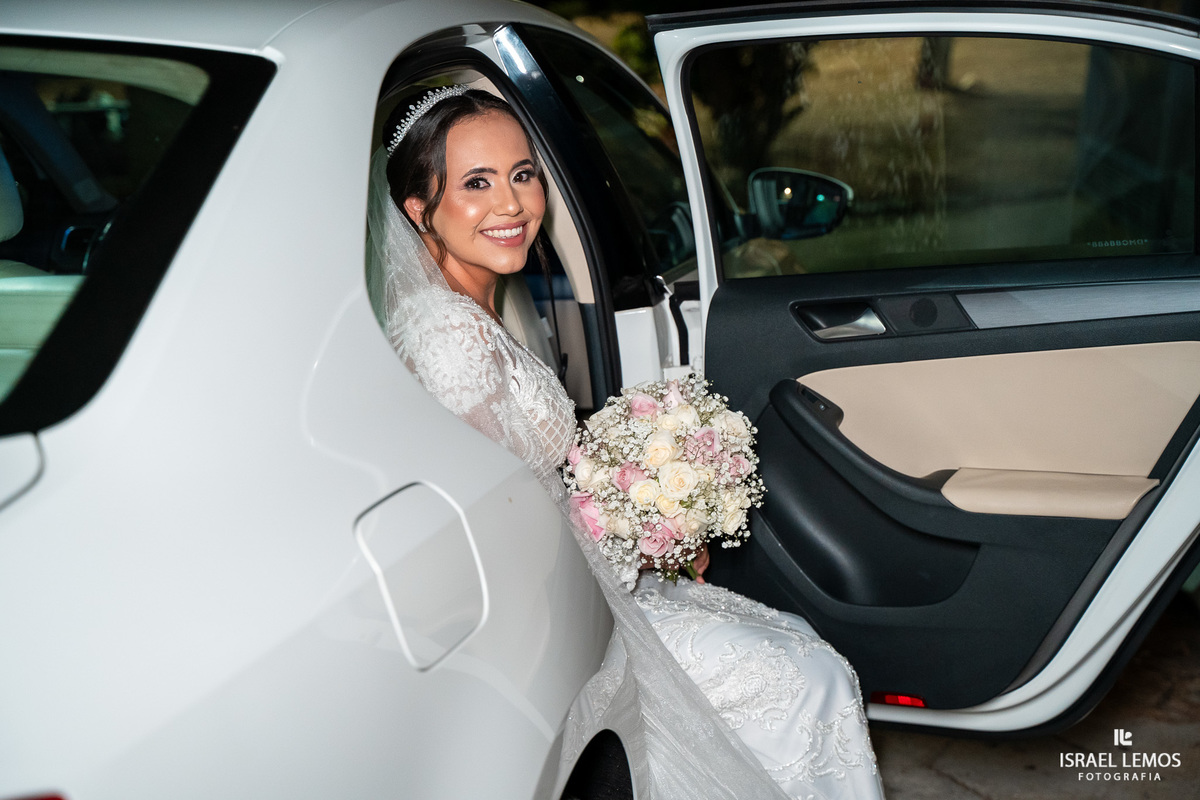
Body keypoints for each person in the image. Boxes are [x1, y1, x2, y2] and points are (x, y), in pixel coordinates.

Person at [369, 85, 884, 800]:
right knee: (803, 677)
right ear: (418, 208)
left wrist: (646, 523)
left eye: (522, 174)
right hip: (543, 616)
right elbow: (489, 522)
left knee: (799, 649)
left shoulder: (482, 304)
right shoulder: (447, 336)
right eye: (476, 183)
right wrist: (632, 536)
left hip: (577, 582)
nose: (512, 204)